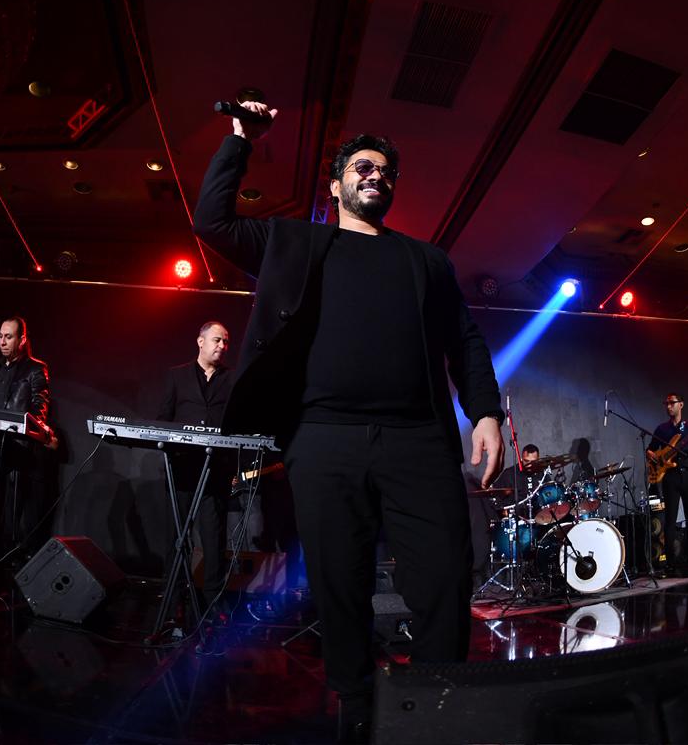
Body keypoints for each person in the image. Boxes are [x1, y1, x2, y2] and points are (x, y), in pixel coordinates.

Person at [193, 100, 504, 743]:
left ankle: (438, 699)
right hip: (323, 439)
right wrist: (241, 139)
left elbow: (465, 340)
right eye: (363, 166)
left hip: (417, 440)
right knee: (339, 580)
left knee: (446, 574)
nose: (376, 176)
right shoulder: (295, 242)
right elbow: (212, 221)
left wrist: (484, 412)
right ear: (335, 185)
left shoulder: (426, 260)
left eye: (386, 171)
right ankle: (357, 701)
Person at [156, 321, 235, 615]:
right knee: (176, 537)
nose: (222, 346)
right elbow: (163, 419)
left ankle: (213, 604)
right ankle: (173, 600)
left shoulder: (233, 379)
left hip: (215, 470)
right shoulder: (177, 376)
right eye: (217, 340)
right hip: (182, 469)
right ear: (200, 341)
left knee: (213, 538)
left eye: (226, 342)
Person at [0, 317, 54, 565]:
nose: (2, 341)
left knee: (12, 519)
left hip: (17, 454)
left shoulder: (35, 369)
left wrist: (28, 427)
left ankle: (10, 567)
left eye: (8, 337)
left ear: (22, 339)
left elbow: (39, 410)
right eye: (0, 336)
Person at [647, 393, 688, 572]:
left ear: (681, 404)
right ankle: (671, 560)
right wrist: (652, 455)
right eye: (666, 403)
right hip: (670, 476)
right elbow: (650, 449)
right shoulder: (661, 429)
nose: (668, 406)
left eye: (672, 403)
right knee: (670, 519)